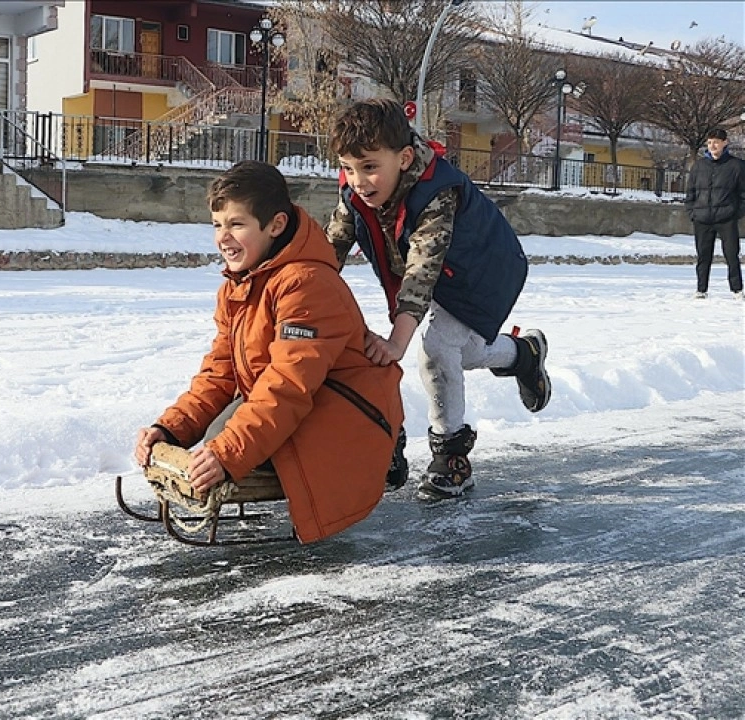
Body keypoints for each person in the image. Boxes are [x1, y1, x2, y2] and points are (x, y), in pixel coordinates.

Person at [133, 161, 406, 544]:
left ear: (275, 225)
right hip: (299, 401)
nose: (223, 238)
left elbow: (288, 387)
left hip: (350, 417)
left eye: (237, 224)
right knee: (216, 437)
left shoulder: (307, 284)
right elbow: (219, 372)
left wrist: (227, 455)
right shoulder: (240, 283)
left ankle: (381, 455)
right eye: (217, 225)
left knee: (225, 445)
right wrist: (170, 429)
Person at [324, 98, 551, 501]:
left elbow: (422, 271)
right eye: (348, 168)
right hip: (444, 273)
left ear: (405, 158)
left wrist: (398, 340)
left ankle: (451, 456)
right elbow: (331, 250)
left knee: (437, 348)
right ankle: (524, 355)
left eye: (370, 167)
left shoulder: (437, 193)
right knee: (463, 352)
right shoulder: (355, 192)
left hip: (483, 271)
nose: (358, 180)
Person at [685, 127, 745, 299]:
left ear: (725, 143)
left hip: (726, 218)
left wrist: (735, 213)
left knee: (731, 254)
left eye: (716, 142)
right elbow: (691, 192)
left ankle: (737, 290)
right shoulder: (699, 165)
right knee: (703, 256)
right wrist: (692, 212)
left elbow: (743, 194)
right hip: (702, 219)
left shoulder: (737, 166)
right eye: (710, 142)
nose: (713, 146)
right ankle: (701, 289)